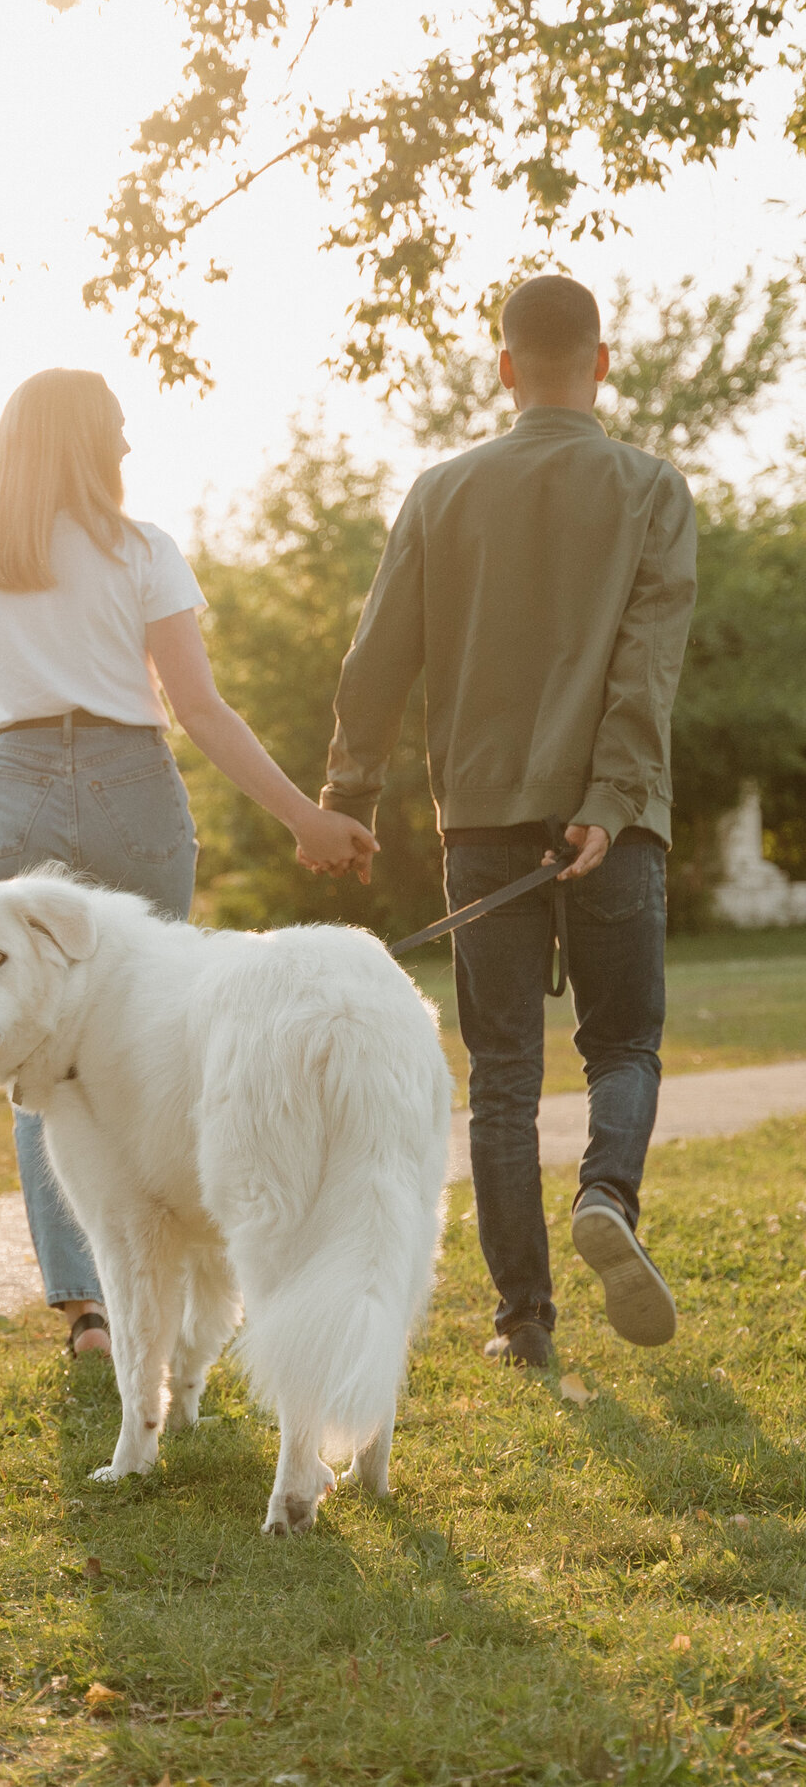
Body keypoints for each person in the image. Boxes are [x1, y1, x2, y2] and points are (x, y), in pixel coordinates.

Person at [0, 367, 376, 1357]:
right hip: (132, 774)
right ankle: (172, 1272)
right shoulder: (142, 552)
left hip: (17, 770)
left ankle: (90, 1307)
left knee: (31, 1058)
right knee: (155, 1032)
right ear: (80, 440)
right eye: (115, 430)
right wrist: (304, 817)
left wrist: (11, 794)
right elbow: (200, 709)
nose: (127, 446)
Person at [316, 276, 697, 1368]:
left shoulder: (441, 491)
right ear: (602, 360)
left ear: (502, 366)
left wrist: (351, 792)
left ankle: (522, 1320)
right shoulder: (652, 491)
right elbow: (645, 675)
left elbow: (376, 660)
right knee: (622, 1041)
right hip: (612, 831)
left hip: (480, 825)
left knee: (501, 1074)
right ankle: (608, 1193)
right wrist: (612, 805)